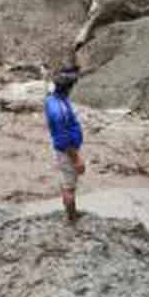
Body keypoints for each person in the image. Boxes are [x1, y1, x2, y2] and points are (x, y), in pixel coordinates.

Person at [44, 65, 85, 223]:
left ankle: (70, 213)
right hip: (66, 150)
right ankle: (72, 218)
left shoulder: (52, 99)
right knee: (69, 186)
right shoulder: (59, 110)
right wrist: (77, 160)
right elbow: (64, 139)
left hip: (61, 148)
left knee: (65, 180)